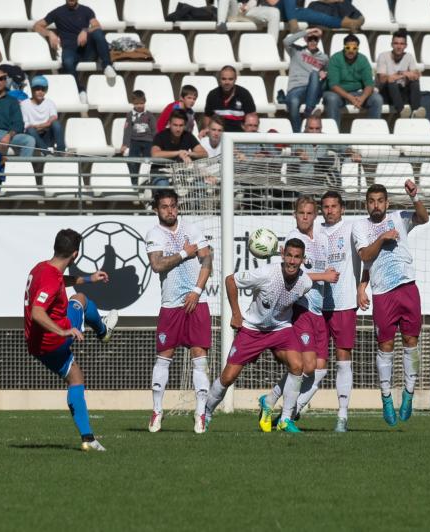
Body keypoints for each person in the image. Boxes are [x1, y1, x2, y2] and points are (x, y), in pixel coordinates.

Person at [204, 238, 338, 433]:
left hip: (280, 329)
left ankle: (285, 419)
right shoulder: (267, 273)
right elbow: (230, 280)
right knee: (228, 377)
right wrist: (236, 314)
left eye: (297, 257)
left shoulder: (305, 282)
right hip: (252, 329)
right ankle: (205, 413)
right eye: (289, 256)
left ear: (302, 260)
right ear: (283, 255)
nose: (292, 261)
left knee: (298, 365)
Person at [24, 228, 119, 451]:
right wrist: (63, 331)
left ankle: (88, 439)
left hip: (37, 346)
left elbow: (58, 281)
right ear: (75, 254)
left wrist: (88, 278)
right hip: (55, 339)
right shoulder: (49, 278)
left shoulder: (41, 268)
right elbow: (38, 311)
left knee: (76, 378)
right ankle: (103, 331)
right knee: (80, 299)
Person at [354, 181, 429, 426]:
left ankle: (408, 393)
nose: (376, 205)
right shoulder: (361, 226)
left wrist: (415, 196)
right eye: (371, 201)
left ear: (387, 203)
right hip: (383, 293)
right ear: (366, 204)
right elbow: (365, 255)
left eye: (380, 201)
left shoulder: (399, 217)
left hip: (407, 287)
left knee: (411, 342)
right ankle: (386, 397)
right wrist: (383, 237)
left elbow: (423, 217)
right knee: (385, 345)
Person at [259, 196, 333, 430]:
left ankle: (270, 400)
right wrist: (324, 276)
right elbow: (293, 274)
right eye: (301, 212)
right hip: (301, 309)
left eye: (310, 213)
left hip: (318, 309)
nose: (305, 217)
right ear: (295, 214)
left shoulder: (321, 237)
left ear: (315, 215)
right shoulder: (295, 239)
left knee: (320, 370)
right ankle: (287, 417)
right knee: (307, 366)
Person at [144, 190, 213, 434]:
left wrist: (196, 290)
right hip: (171, 305)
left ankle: (200, 414)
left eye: (173, 206)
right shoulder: (154, 234)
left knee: (200, 360)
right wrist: (185, 252)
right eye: (164, 207)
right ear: (156, 210)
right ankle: (157, 411)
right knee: (163, 359)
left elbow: (207, 261)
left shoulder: (191, 229)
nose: (170, 211)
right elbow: (157, 264)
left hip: (197, 301)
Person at [319, 191, 360, 431]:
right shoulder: (315, 232)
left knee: (343, 359)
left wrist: (362, 286)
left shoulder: (353, 228)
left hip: (344, 303)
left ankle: (342, 415)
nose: (330, 210)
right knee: (314, 364)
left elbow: (366, 255)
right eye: (326, 206)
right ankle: (296, 407)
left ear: (342, 208)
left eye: (334, 206)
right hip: (316, 305)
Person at [33, 0, 116, 101]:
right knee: (67, 61)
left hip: (87, 50)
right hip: (70, 49)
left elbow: (97, 26)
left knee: (98, 33)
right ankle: (80, 90)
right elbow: (37, 25)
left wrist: (85, 30)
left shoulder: (86, 10)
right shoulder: (58, 12)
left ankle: (107, 65)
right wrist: (49, 33)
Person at [323, 34, 383, 126]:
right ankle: (333, 134)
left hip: (358, 93)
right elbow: (333, 85)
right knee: (332, 98)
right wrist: (350, 97)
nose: (351, 51)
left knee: (377, 99)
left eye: (354, 48)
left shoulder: (362, 59)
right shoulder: (335, 58)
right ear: (344, 47)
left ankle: (372, 132)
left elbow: (369, 84)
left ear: (357, 48)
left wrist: (362, 98)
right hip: (338, 93)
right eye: (348, 47)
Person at [218, 0, 364, 34]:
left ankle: (347, 24)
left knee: (313, 15)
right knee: (301, 12)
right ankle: (220, 24)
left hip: (271, 10)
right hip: (238, 11)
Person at [284, 27, 329, 133]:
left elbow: (329, 73)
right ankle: (297, 133)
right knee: (294, 102)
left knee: (314, 74)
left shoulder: (324, 58)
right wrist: (308, 31)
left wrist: (324, 73)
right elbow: (286, 41)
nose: (313, 41)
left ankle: (308, 111)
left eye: (315, 39)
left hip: (313, 90)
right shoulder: (296, 51)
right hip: (296, 88)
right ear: (305, 39)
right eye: (310, 39)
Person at [150, 110, 208, 187]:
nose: (178, 129)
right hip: (160, 173)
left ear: (184, 126)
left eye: (181, 125)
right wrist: (179, 153)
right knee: (164, 187)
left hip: (182, 174)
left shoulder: (188, 136)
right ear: (169, 124)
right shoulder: (160, 136)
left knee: (201, 186)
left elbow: (204, 153)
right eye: (175, 125)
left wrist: (189, 154)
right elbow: (155, 154)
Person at [376, 30, 425, 119]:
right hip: (386, 93)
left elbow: (416, 75)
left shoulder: (409, 56)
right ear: (392, 45)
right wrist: (404, 73)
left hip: (401, 92)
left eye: (402, 44)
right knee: (391, 82)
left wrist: (410, 74)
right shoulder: (383, 56)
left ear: (405, 46)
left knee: (415, 82)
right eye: (396, 43)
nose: (399, 46)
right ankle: (401, 111)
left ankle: (416, 111)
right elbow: (383, 79)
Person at [0, 66, 35, 157]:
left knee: (29, 140)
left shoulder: (13, 101)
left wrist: (8, 136)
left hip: (7, 134)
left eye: (0, 79)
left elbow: (18, 124)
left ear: (5, 80)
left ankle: (22, 169)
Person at [203, 65, 256, 135]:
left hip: (240, 136)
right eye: (224, 79)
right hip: (219, 136)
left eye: (230, 79)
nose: (227, 82)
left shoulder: (244, 94)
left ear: (235, 79)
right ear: (219, 79)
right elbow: (208, 116)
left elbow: (252, 117)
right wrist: (207, 132)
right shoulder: (212, 95)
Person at [21, 75, 65, 155]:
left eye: (43, 89)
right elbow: (26, 125)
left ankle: (61, 152)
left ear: (46, 90)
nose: (40, 91)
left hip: (46, 135)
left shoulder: (50, 103)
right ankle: (47, 154)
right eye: (37, 88)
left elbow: (53, 118)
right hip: (33, 137)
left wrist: (38, 126)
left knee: (56, 124)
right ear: (32, 89)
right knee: (30, 130)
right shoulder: (24, 104)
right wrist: (44, 125)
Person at [121, 90, 157, 178]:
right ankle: (134, 180)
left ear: (145, 102)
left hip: (148, 141)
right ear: (132, 103)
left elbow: (154, 129)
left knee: (148, 161)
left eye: (141, 103)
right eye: (136, 103)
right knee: (133, 161)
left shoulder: (149, 115)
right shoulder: (130, 115)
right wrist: (125, 144)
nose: (139, 106)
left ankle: (148, 179)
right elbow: (127, 130)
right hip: (135, 140)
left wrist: (156, 143)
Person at [217, 0, 282, 40]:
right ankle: (220, 24)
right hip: (233, 11)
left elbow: (253, 1)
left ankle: (270, 49)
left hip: (248, 11)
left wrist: (246, 7)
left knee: (274, 12)